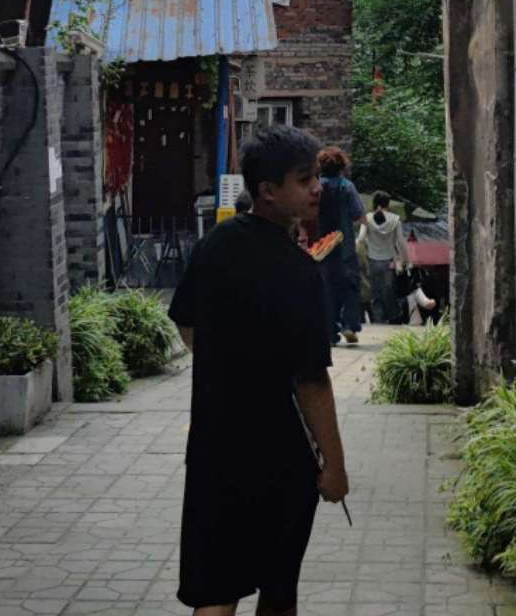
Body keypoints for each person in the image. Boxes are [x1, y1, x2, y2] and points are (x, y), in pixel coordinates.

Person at [168, 124, 349, 616]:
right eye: (304, 180)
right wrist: (335, 466)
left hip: (214, 446)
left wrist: (227, 363)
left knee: (215, 589)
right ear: (268, 191)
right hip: (280, 454)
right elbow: (312, 381)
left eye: (316, 177)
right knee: (278, 587)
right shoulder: (300, 271)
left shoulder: (215, 244)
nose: (317, 188)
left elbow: (186, 323)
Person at [317, 146, 366, 345]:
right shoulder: (347, 187)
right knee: (350, 285)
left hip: (321, 247)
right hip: (344, 245)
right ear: (341, 166)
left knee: (326, 288)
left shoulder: (316, 187)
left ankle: (329, 333)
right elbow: (358, 214)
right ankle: (349, 325)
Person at [356, 191, 410, 324]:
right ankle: (394, 318)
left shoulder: (367, 218)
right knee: (389, 292)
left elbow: (361, 239)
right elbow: (401, 242)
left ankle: (378, 322)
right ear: (387, 204)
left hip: (372, 261)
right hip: (389, 262)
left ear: (374, 203)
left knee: (375, 294)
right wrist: (405, 260)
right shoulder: (395, 219)